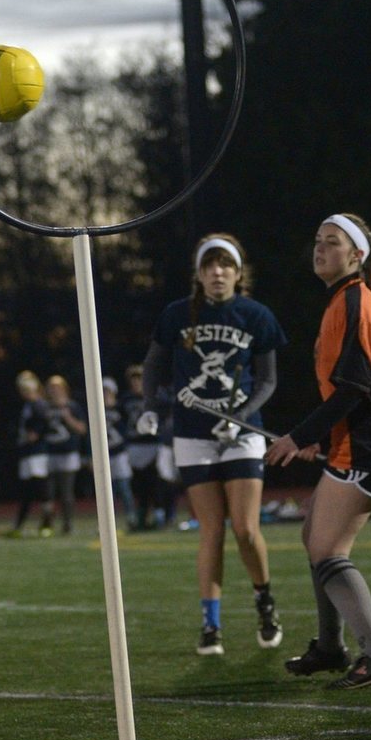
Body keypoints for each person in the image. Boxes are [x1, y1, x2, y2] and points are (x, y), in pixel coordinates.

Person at [268, 212, 371, 690]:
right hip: (364, 440)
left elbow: (352, 389)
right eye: (318, 240)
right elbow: (351, 391)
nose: (320, 248)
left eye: (332, 242)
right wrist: (319, 437)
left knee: (328, 549)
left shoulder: (353, 301)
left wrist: (299, 436)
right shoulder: (342, 301)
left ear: (355, 255)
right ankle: (331, 647)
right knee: (314, 536)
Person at [140, 234, 286, 657]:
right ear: (199, 273)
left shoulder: (256, 315)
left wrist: (239, 416)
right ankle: (211, 623)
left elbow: (268, 379)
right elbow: (154, 363)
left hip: (240, 435)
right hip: (192, 436)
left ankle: (264, 600)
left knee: (244, 528)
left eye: (225, 265)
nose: (217, 272)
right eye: (209, 265)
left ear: (238, 273)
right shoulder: (176, 314)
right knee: (211, 531)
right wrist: (150, 407)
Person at [40, 375, 87, 536]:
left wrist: (68, 419)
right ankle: (47, 522)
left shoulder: (72, 406)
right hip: (49, 454)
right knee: (47, 493)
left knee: (66, 493)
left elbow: (82, 429)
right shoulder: (45, 408)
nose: (54, 391)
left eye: (57, 388)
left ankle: (67, 523)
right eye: (51, 388)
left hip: (67, 454)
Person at [9, 371, 51, 537]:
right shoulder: (27, 405)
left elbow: (44, 424)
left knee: (41, 488)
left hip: (37, 453)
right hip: (27, 452)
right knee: (27, 490)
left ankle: (47, 523)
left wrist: (36, 433)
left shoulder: (39, 404)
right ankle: (19, 525)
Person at [120, 364, 161, 530]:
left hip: (152, 444)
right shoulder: (125, 400)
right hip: (134, 446)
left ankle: (160, 517)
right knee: (139, 486)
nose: (137, 384)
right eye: (134, 381)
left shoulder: (155, 397)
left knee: (156, 485)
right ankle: (141, 517)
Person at [101, 377, 136, 530]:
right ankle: (106, 523)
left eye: (107, 391)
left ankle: (131, 518)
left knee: (124, 488)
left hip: (120, 452)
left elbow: (128, 428)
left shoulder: (120, 408)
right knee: (106, 490)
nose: (105, 394)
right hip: (104, 455)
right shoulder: (96, 410)